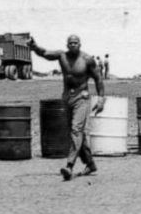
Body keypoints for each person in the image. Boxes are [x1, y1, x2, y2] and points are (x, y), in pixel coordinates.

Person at [28, 34, 105, 180]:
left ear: (80, 44)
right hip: (67, 98)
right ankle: (90, 163)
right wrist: (34, 46)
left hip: (82, 98)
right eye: (70, 43)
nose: (73, 45)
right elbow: (45, 53)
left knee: (76, 130)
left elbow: (98, 78)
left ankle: (69, 166)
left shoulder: (87, 59)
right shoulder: (61, 56)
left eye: (76, 42)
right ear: (67, 45)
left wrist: (101, 98)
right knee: (76, 132)